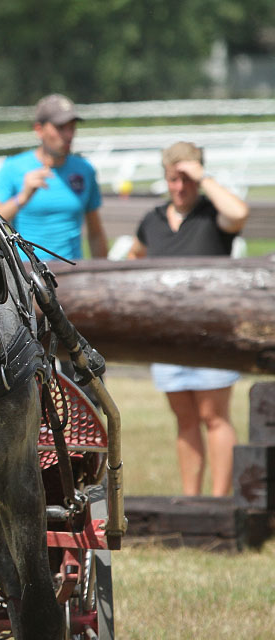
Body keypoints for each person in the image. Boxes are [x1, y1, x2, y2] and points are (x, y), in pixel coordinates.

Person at [127, 141, 250, 497]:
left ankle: (219, 499)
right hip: (168, 336)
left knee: (215, 416)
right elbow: (134, 256)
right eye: (173, 179)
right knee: (184, 419)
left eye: (187, 179)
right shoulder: (152, 219)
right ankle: (191, 500)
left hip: (211, 332)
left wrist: (203, 176)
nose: (180, 187)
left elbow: (239, 213)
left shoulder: (213, 214)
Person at [0, 93, 108, 261]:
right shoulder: (13, 168)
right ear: (39, 130)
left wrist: (100, 273)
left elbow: (95, 232)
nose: (68, 135)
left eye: (72, 127)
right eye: (60, 128)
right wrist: (22, 197)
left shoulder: (84, 170)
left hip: (73, 273)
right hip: (28, 278)